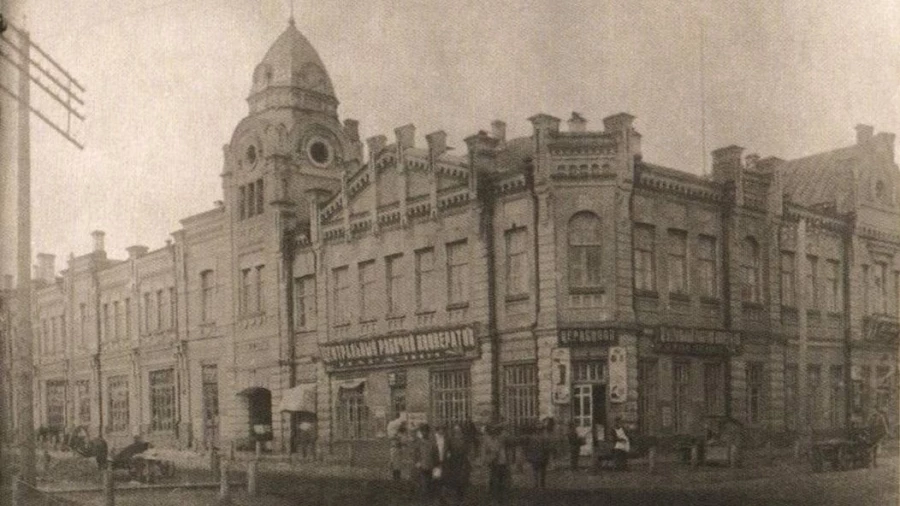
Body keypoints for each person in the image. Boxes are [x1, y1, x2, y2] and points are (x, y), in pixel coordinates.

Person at [443, 423, 471, 505]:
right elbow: (446, 451)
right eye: (455, 430)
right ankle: (454, 499)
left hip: (463, 462)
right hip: (453, 463)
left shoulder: (465, 439)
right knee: (454, 481)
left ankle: (461, 499)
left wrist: (469, 458)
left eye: (458, 429)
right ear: (453, 431)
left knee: (463, 481)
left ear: (461, 430)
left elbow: (468, 450)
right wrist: (447, 457)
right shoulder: (450, 439)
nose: (457, 431)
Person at [483, 423, 511, 505]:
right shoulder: (488, 440)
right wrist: (489, 459)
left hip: (504, 463)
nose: (496, 433)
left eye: (498, 431)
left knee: (504, 483)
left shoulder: (504, 439)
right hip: (494, 464)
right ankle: (494, 500)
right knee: (494, 483)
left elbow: (510, 445)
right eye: (494, 431)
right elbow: (485, 453)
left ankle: (502, 500)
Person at [524, 418, 553, 489]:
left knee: (537, 470)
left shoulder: (533, 437)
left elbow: (529, 447)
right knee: (540, 470)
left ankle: (537, 484)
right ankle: (540, 484)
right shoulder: (544, 437)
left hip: (537, 455)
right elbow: (547, 447)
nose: (538, 431)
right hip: (540, 455)